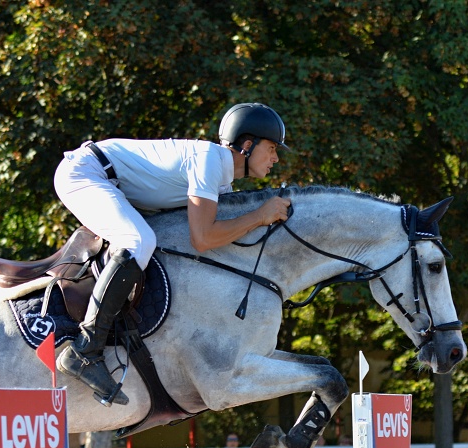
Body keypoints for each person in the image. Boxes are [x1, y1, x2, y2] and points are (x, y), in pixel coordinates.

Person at [53, 103, 292, 405]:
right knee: (138, 241)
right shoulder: (208, 161)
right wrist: (260, 215)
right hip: (85, 174)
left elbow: (221, 240)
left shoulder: (221, 180)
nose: (275, 158)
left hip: (106, 179)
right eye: (271, 148)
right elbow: (204, 238)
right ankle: (85, 350)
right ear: (247, 145)